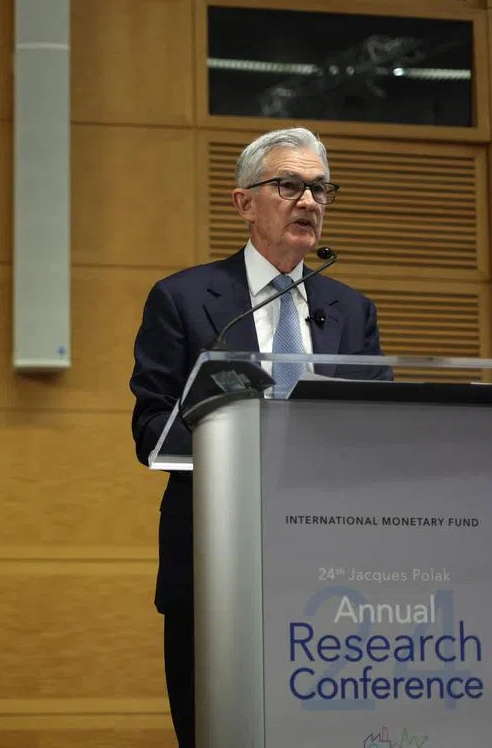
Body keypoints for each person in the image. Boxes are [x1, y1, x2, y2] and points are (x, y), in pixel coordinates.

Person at [128, 126, 392, 747]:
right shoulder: (183, 299)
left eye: (320, 189)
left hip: (332, 567)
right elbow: (150, 428)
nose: (310, 201)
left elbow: (379, 428)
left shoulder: (352, 310)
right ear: (244, 202)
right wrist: (239, 432)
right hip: (216, 563)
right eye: (290, 186)